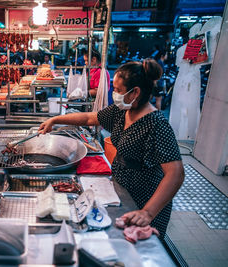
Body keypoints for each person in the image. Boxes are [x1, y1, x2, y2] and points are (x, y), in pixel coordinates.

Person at [38, 59, 185, 238]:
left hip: (146, 201)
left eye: (118, 90)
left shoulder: (157, 124)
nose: (114, 93)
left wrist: (147, 212)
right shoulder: (121, 111)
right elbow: (88, 119)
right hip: (122, 191)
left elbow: (176, 174)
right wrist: (55, 120)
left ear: (135, 92)